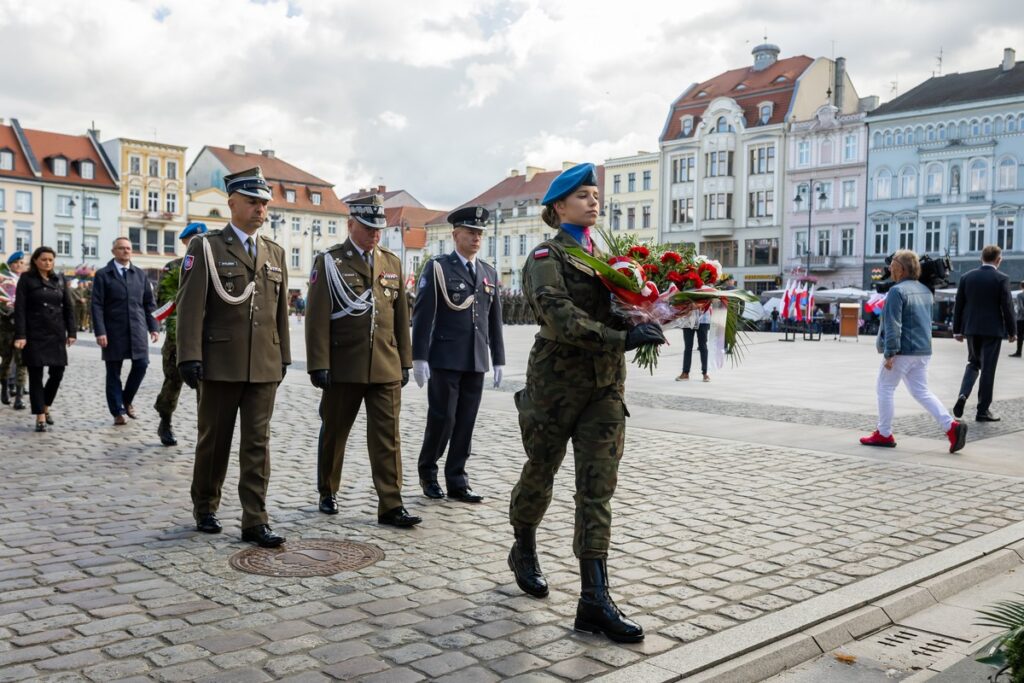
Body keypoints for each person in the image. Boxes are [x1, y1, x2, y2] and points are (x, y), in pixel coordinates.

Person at [507, 163, 666, 643]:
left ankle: (594, 600)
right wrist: (622, 338)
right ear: (558, 207)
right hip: (556, 385)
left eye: (595, 194)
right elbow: (559, 315)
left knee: (597, 489)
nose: (593, 201)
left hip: (605, 387)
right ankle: (523, 544)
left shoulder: (611, 256)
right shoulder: (546, 256)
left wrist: (652, 312)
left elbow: (622, 306)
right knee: (541, 469)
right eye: (582, 195)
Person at [176, 167, 291, 548]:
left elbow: (279, 312)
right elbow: (190, 306)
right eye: (253, 202)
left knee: (258, 444)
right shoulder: (207, 247)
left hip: (263, 364)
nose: (260, 210)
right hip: (219, 362)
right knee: (215, 441)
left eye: (264, 204)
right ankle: (205, 506)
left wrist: (283, 356)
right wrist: (188, 356)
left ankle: (255, 519)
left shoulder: (274, 252)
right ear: (232, 204)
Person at [305, 193, 419, 528]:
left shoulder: (391, 262)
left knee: (388, 438)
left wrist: (405, 361)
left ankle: (391, 504)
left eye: (378, 228)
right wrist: (319, 364)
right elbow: (316, 318)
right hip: (344, 364)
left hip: (385, 363)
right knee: (335, 431)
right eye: (368, 227)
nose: (374, 234)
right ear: (351, 224)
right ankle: (328, 490)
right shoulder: (330, 261)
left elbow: (400, 317)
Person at [411, 206, 504, 503]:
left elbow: (494, 320)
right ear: (455, 235)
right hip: (445, 357)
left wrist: (498, 358)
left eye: (480, 234)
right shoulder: (439, 267)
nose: (476, 238)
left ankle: (457, 479)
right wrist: (419, 357)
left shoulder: (488, 272)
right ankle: (428, 472)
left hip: (475, 358)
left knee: (466, 421)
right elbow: (423, 314)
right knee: (443, 419)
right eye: (471, 232)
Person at [860, 250, 967, 453]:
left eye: (892, 265)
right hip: (923, 350)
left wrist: (890, 353)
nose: (890, 268)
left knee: (884, 388)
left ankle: (884, 433)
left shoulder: (897, 291)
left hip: (902, 350)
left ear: (901, 269)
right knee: (921, 391)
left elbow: (893, 324)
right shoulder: (925, 290)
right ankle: (951, 427)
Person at [92, 237, 159, 426]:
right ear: (113, 251)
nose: (126, 251)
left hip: (137, 328)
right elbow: (96, 305)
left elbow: (149, 303)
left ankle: (126, 399)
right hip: (113, 331)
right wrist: (100, 331)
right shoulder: (103, 274)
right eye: (121, 248)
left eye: (129, 248)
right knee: (113, 371)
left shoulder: (139, 274)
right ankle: (117, 412)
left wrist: (153, 327)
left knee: (142, 364)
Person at [153, 222, 208, 446]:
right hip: (178, 338)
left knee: (206, 386)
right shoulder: (174, 267)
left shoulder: (215, 265)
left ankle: (205, 432)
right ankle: (165, 420)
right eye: (193, 240)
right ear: (185, 242)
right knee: (173, 382)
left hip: (207, 338)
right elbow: (162, 302)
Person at [12, 246, 77, 431]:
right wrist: (21, 335)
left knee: (57, 373)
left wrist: (72, 332)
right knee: (36, 375)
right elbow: (20, 308)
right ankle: (40, 415)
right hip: (34, 333)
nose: (47, 263)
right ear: (35, 260)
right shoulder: (27, 279)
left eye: (50, 260)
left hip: (56, 332)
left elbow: (68, 307)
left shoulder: (59, 279)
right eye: (43, 259)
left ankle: (46, 405)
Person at [951, 245, 1016, 422]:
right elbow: (1007, 307)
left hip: (972, 329)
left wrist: (957, 330)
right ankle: (982, 410)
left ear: (981, 258)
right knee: (988, 369)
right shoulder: (1002, 278)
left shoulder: (966, 277)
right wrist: (1012, 331)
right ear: (998, 260)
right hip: (993, 330)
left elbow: (959, 305)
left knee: (973, 363)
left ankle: (963, 394)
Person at [1, 251, 29, 409]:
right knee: (6, 360)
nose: (19, 265)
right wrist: (7, 309)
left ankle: (19, 397)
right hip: (6, 326)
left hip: (22, 327)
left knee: (22, 362)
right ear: (10, 264)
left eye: (21, 263)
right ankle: (4, 388)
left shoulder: (27, 280)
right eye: (16, 263)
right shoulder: (3, 278)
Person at [676, 308, 711, 382]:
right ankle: (685, 373)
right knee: (688, 347)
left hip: (703, 318)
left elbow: (711, 301)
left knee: (703, 346)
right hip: (688, 318)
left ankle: (705, 373)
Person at [1009, 281, 1024, 357]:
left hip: (1021, 319)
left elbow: (1020, 308)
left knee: (1020, 336)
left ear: (1021, 286)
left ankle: (1018, 352)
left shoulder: (1020, 295)